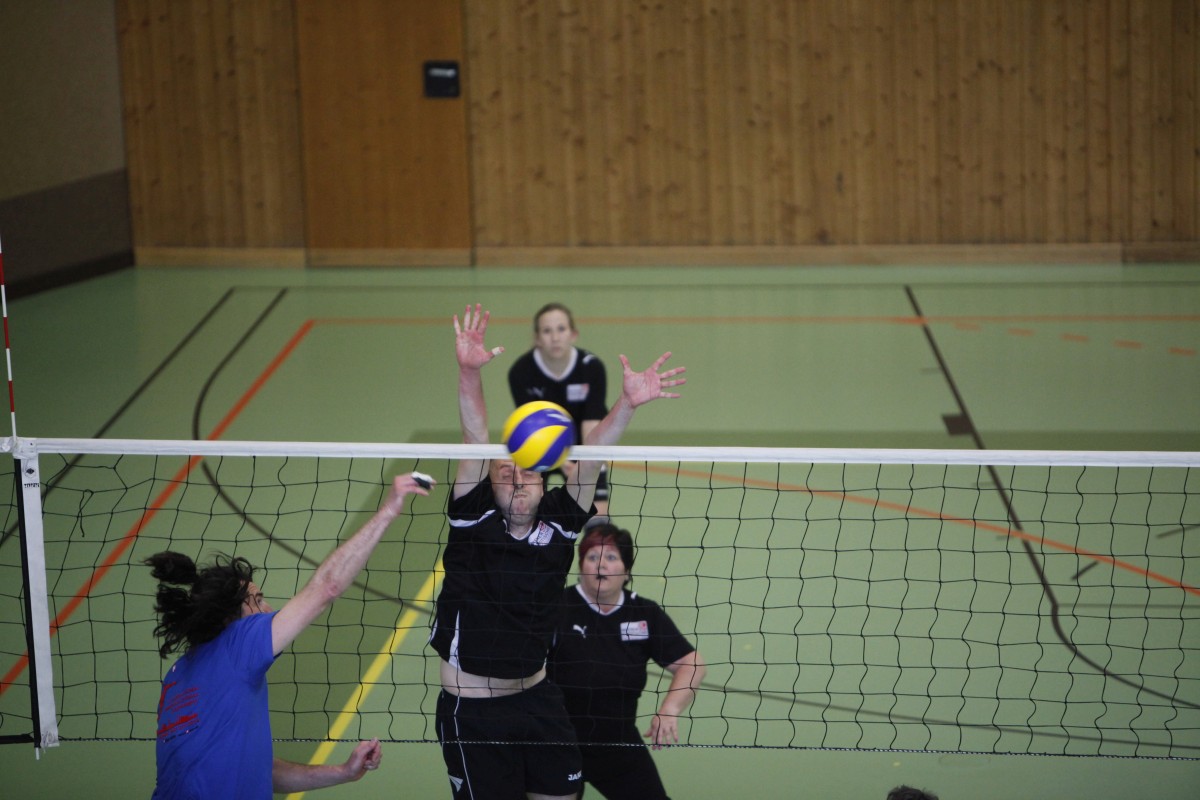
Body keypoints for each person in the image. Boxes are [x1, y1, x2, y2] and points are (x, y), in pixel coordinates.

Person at [431, 303, 685, 800]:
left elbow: (590, 460)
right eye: (505, 472)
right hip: (474, 711)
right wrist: (468, 372)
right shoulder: (472, 520)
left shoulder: (559, 522)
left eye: (527, 471)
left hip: (540, 698)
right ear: (489, 484)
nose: (517, 478)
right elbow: (475, 436)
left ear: (543, 480)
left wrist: (628, 404)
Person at [146, 471, 434, 799]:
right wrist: (388, 511)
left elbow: (259, 770)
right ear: (229, 617)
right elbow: (328, 588)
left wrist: (343, 771)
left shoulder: (177, 676)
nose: (268, 608)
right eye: (257, 600)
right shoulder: (239, 643)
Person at [548, 523, 705, 800]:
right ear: (581, 566)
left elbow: (691, 664)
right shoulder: (556, 607)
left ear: (627, 570)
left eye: (611, 557)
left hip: (618, 743)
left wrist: (669, 710)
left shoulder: (644, 612)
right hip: (558, 741)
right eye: (592, 557)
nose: (601, 565)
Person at [507, 303, 611, 517]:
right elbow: (527, 422)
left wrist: (584, 464)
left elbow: (592, 422)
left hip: (583, 445)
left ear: (573, 334)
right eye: (547, 331)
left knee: (598, 516)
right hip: (536, 445)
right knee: (525, 512)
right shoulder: (520, 372)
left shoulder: (592, 368)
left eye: (561, 329)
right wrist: (562, 463)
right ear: (537, 338)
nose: (555, 337)